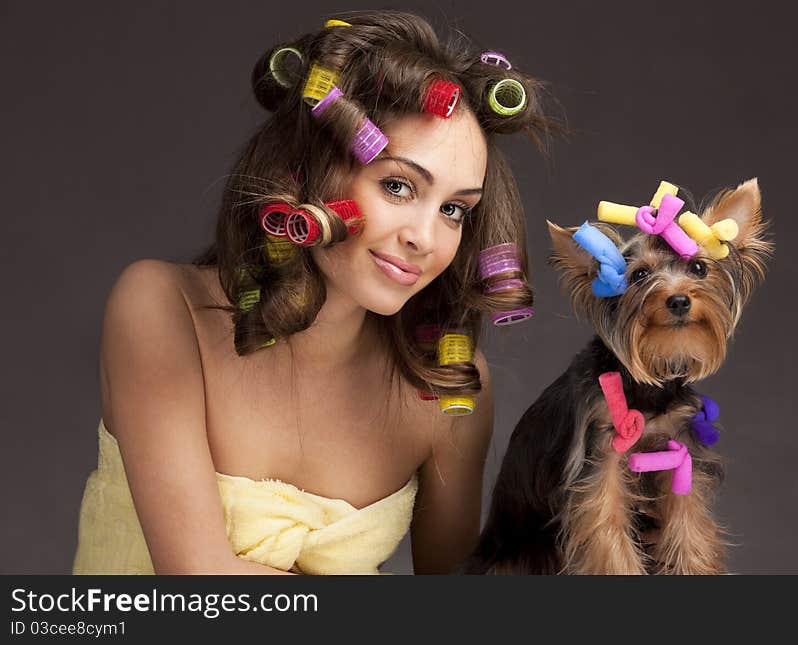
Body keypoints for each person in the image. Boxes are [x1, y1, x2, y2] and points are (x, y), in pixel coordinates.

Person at [72, 10, 555, 575]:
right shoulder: (160, 307)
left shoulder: (447, 388)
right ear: (305, 170)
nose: (424, 238)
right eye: (397, 186)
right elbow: (197, 583)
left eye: (454, 210)